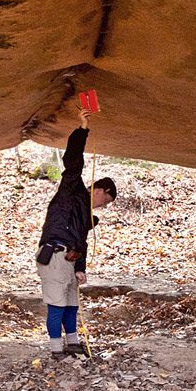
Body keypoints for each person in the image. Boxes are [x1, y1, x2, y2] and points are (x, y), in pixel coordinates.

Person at [36, 101, 116, 358]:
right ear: (100, 190)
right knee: (57, 306)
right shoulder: (72, 190)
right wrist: (82, 129)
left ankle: (72, 344)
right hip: (54, 254)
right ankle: (56, 349)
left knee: (71, 305)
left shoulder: (86, 216)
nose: (105, 205)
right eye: (107, 200)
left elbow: (81, 240)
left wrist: (81, 269)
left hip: (70, 260)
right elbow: (73, 161)